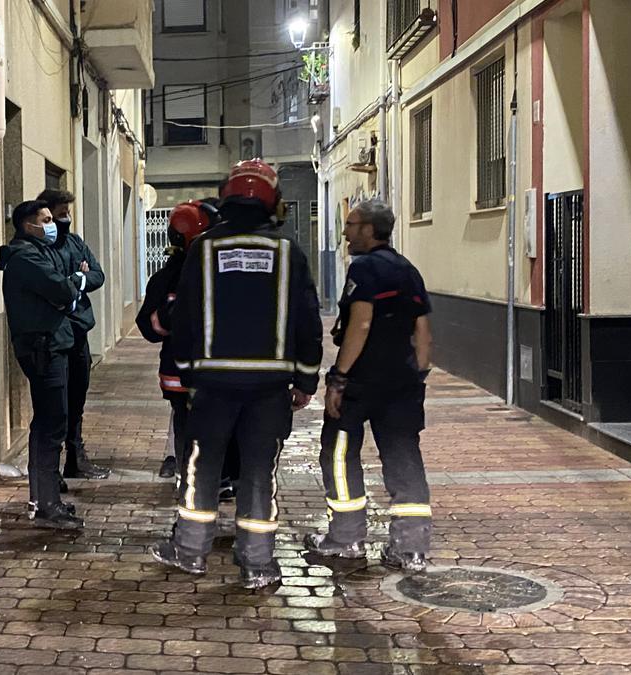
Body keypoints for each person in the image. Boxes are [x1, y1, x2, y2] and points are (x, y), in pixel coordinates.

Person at [149, 160, 323, 589]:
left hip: (212, 386)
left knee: (202, 467)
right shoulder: (288, 252)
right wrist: (305, 381)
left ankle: (190, 551)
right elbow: (307, 320)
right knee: (259, 472)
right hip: (269, 388)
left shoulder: (203, 250)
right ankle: (259, 563)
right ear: (272, 202)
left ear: (226, 196)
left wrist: (188, 374)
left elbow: (184, 318)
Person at [303, 199, 434, 572]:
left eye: (350, 224)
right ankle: (410, 548)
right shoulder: (408, 270)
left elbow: (360, 324)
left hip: (362, 383)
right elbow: (423, 329)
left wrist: (339, 377)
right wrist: (419, 372)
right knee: (403, 458)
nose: (344, 232)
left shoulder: (365, 268)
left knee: (340, 454)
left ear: (368, 229)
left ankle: (346, 538)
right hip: (403, 385)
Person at [0, 200, 85, 530]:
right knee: (51, 425)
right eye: (46, 220)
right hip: (44, 348)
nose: (53, 225)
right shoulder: (26, 257)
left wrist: (68, 284)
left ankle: (44, 499)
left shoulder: (33, 253)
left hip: (48, 344)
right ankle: (47, 504)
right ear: (27, 225)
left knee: (48, 424)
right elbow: (62, 288)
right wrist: (75, 278)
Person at [135, 200, 216, 481]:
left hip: (184, 374)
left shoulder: (168, 276)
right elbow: (149, 325)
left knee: (189, 430)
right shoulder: (189, 275)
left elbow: (149, 327)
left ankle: (192, 484)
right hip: (208, 375)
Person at [36, 189, 112, 483]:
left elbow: (97, 274)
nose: (65, 218)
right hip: (56, 334)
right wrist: (74, 279)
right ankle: (51, 472)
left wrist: (80, 278)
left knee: (77, 398)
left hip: (79, 330)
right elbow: (54, 286)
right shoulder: (41, 247)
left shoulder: (76, 242)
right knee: (58, 404)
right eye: (61, 213)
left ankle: (76, 457)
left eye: (68, 212)